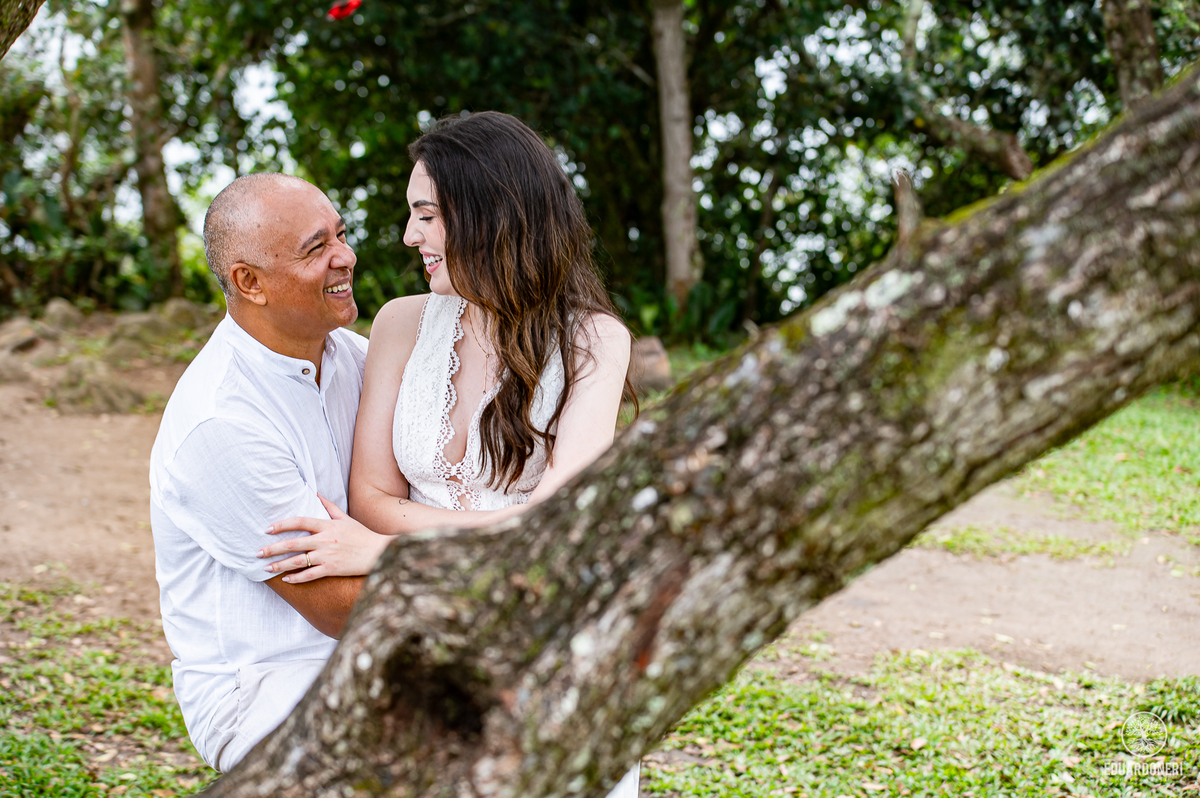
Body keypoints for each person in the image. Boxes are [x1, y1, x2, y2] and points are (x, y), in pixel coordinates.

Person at [256, 111, 640, 796]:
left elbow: (559, 533)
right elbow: (370, 497)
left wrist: (386, 552)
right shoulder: (402, 323)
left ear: (490, 214)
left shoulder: (595, 341)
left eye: (427, 216)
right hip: (423, 625)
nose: (409, 236)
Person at [149, 172, 368, 772]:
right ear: (250, 282)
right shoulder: (220, 423)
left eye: (341, 235)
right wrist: (491, 562)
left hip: (372, 651)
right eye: (315, 248)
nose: (345, 257)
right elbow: (337, 604)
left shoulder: (354, 357)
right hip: (266, 685)